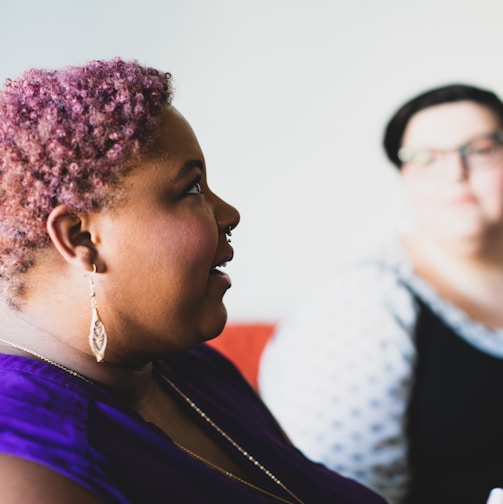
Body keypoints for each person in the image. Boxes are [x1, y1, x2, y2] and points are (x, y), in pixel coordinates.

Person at [0, 57, 388, 504]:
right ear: (80, 238)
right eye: (191, 189)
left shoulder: (193, 367)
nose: (229, 215)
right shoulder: (27, 470)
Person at [258, 83, 503, 504]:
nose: (455, 173)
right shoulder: (361, 306)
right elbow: (335, 491)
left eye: (480, 149)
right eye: (426, 158)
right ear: (405, 176)